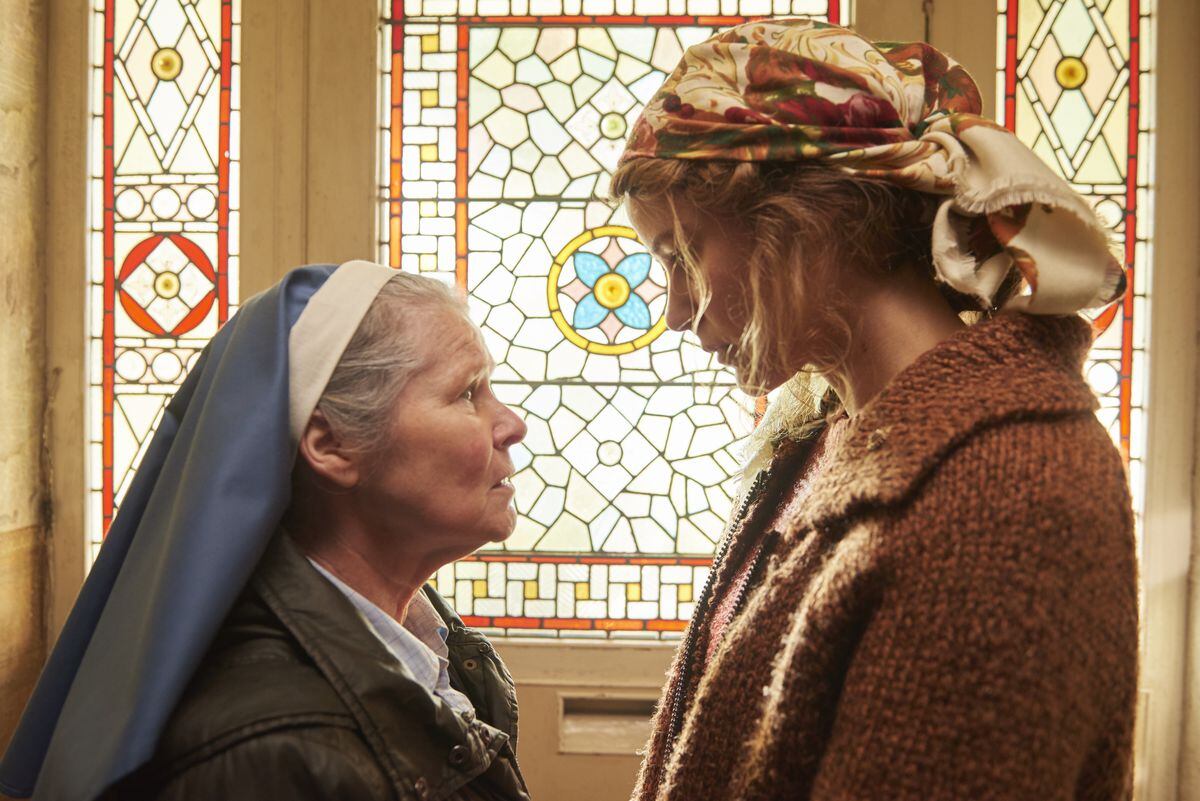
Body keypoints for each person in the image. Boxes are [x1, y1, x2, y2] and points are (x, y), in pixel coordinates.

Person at [610, 18, 1137, 801]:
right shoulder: (829, 433)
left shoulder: (1005, 490)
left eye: (682, 254)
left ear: (804, 222)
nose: (677, 311)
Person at [0, 262, 531, 801]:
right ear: (329, 445)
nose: (513, 424)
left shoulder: (433, 646)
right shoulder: (269, 754)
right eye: (467, 393)